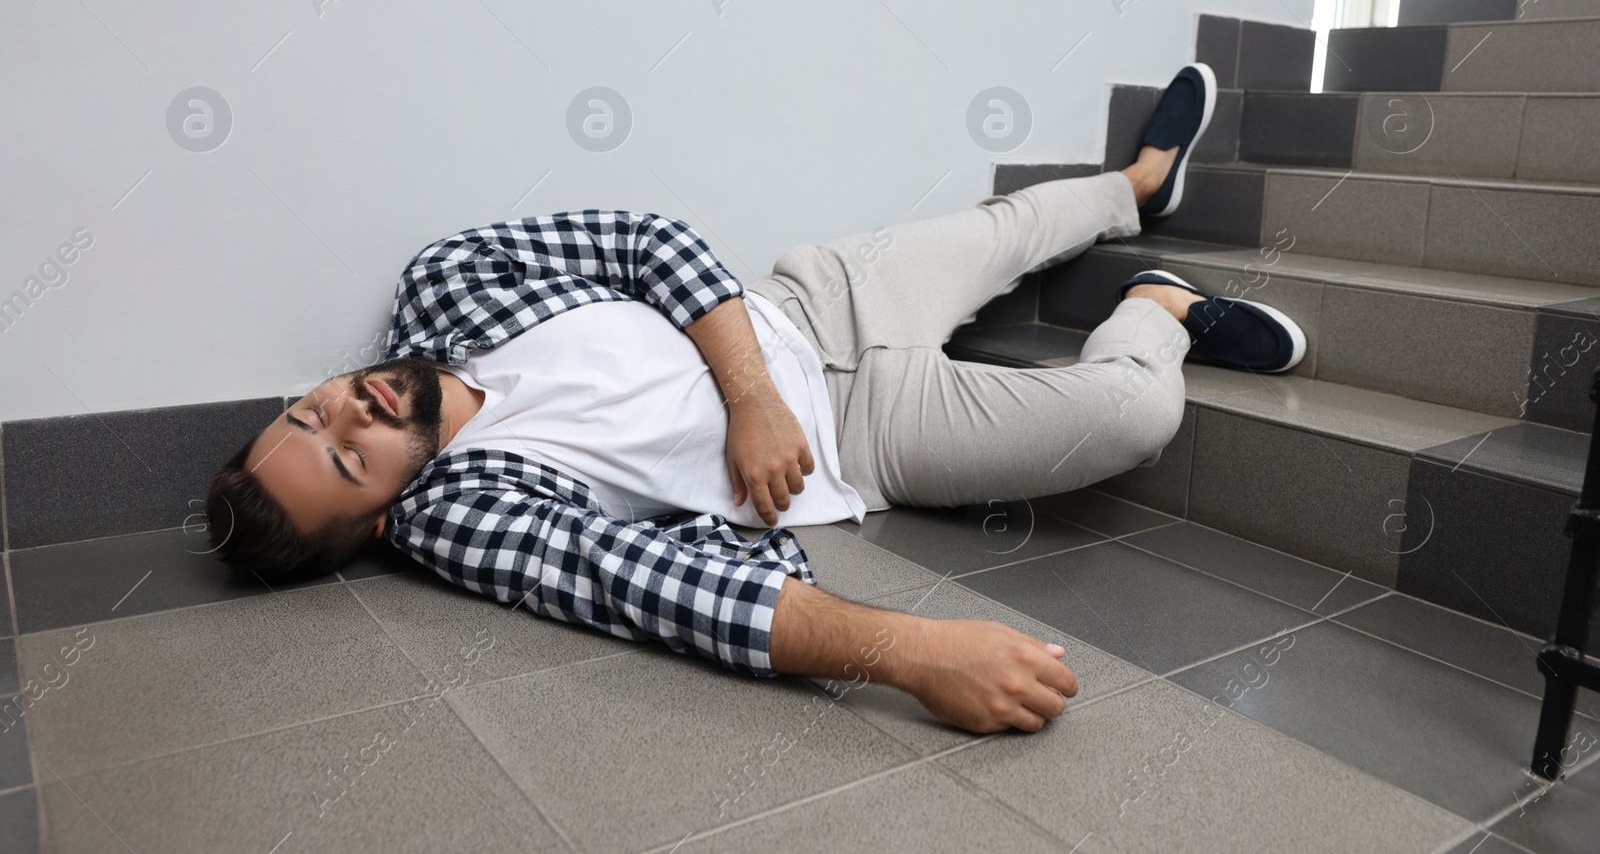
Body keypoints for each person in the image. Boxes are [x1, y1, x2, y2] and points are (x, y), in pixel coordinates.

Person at [206, 63, 1304, 734]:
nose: (350, 412)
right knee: (1130, 420)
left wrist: (749, 396)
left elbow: (649, 239)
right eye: (350, 458)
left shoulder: (441, 282)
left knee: (1012, 231)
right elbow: (654, 584)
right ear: (389, 514)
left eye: (311, 412)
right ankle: (1160, 308)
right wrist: (912, 654)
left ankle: (1142, 184)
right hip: (860, 433)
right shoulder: (463, 513)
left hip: (809, 298)